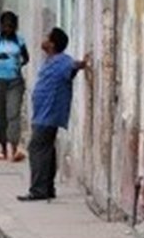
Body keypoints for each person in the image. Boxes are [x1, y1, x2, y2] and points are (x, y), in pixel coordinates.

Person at [17, 28, 90, 202]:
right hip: (43, 113)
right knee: (46, 149)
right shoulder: (50, 61)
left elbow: (72, 66)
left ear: (52, 44)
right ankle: (47, 187)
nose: (43, 40)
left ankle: (38, 189)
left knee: (37, 149)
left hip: (48, 113)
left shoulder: (62, 61)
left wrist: (83, 63)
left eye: (47, 37)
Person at [0, 11, 30, 162]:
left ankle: (14, 148)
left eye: (11, 27)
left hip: (15, 81)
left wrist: (18, 64)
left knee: (13, 113)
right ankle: (3, 148)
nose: (8, 30)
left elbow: (26, 58)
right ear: (1, 26)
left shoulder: (19, 40)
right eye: (5, 26)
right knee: (1, 115)